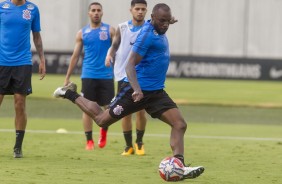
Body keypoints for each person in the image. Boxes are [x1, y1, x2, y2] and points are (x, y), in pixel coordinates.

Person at [54, 3, 204, 179]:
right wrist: (137, 89)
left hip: (156, 93)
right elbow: (130, 64)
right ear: (153, 19)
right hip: (135, 90)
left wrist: (169, 20)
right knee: (102, 120)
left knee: (180, 124)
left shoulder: (159, 26)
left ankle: (179, 166)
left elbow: (164, 21)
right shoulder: (146, 36)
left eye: (167, 22)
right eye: (162, 21)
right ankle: (70, 93)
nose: (165, 25)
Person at [63, 2, 115, 150]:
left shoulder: (110, 30)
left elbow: (118, 49)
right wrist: (67, 77)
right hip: (89, 75)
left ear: (102, 13)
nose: (96, 13)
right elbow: (75, 56)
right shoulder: (82, 33)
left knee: (108, 108)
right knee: (87, 108)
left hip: (106, 75)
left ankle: (103, 133)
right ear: (89, 13)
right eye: (93, 10)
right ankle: (89, 141)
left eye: (98, 10)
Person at [0, 0, 46, 158]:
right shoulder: (2, 7)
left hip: (22, 63)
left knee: (19, 104)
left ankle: (17, 147)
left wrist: (42, 59)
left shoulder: (33, 9)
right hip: (1, 62)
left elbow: (37, 37)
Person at [105, 0, 148, 156]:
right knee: (124, 111)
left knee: (141, 111)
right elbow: (115, 45)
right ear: (131, 10)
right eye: (137, 9)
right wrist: (109, 55)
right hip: (123, 75)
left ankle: (139, 142)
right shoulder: (122, 27)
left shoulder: (148, 28)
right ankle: (128, 145)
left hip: (141, 76)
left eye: (143, 9)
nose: (140, 12)